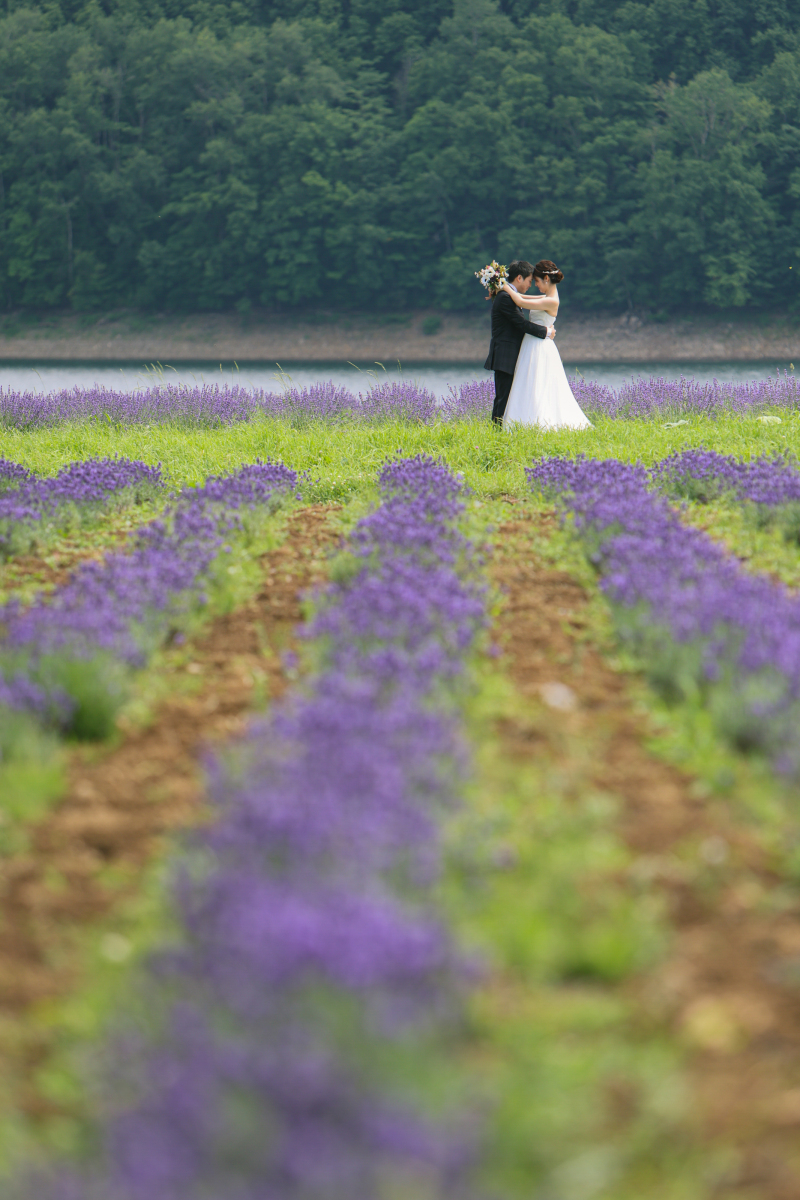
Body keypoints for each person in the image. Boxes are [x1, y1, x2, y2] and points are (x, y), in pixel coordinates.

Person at [498, 260, 591, 430]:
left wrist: (502, 285)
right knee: (528, 382)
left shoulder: (552, 301)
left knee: (539, 382)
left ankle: (539, 422)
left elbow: (520, 302)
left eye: (538, 281)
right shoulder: (546, 297)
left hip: (539, 346)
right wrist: (503, 289)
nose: (536, 285)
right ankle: (525, 420)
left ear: (546, 279)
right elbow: (522, 297)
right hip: (531, 343)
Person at [483, 259, 556, 425]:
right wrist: (546, 332)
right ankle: (496, 431)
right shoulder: (505, 298)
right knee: (503, 396)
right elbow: (521, 324)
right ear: (519, 278)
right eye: (530, 281)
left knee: (508, 395)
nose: (530, 284)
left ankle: (503, 429)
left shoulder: (509, 295)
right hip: (505, 354)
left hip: (511, 353)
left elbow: (524, 299)